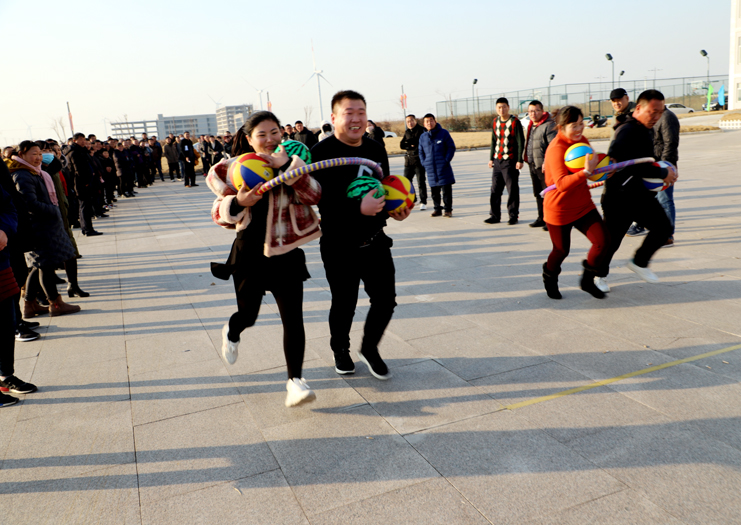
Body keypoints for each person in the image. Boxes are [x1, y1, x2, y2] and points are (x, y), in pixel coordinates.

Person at [207, 111, 322, 407]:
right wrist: (237, 202)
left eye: (275, 133)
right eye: (262, 134)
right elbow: (218, 213)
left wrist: (289, 169)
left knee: (293, 320)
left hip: (286, 252)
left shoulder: (292, 163)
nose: (270, 139)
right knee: (248, 316)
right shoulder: (236, 168)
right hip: (249, 254)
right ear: (249, 139)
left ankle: (295, 381)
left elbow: (314, 195)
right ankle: (232, 331)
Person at [311, 90, 412, 380]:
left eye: (361, 113)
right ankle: (340, 350)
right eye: (349, 113)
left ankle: (369, 348)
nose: (356, 119)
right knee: (344, 303)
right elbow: (320, 202)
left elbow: (384, 188)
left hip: (374, 240)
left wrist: (394, 210)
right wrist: (358, 209)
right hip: (338, 243)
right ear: (334, 118)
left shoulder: (375, 148)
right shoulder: (320, 153)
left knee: (386, 300)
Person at [598, 90, 677, 286]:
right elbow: (624, 162)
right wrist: (662, 173)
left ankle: (639, 262)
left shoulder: (645, 129)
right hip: (619, 197)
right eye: (653, 112)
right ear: (639, 108)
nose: (656, 117)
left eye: (660, 112)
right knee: (611, 242)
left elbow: (646, 159)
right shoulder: (626, 130)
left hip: (639, 194)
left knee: (663, 228)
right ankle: (597, 275)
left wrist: (665, 169)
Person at [7, 142, 82, 317]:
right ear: (21, 154)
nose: (39, 157)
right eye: (34, 154)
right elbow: (29, 203)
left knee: (39, 266)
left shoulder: (34, 171)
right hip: (39, 227)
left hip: (45, 226)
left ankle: (30, 304)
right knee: (45, 266)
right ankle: (55, 304)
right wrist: (53, 210)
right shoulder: (22, 175)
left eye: (40, 154)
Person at [541, 106, 608, 299]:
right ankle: (549, 277)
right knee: (561, 250)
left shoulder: (582, 141)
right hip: (559, 209)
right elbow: (561, 184)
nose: (579, 129)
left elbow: (592, 169)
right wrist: (585, 172)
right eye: (574, 125)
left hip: (583, 205)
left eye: (581, 123)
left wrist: (605, 170)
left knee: (602, 242)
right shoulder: (556, 148)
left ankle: (587, 280)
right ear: (561, 126)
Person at [0, 183, 38, 406]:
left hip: (1, 262)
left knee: (7, 323)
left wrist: (4, 230)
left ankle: (6, 376)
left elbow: (8, 207)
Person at [485, 98, 524, 225]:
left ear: (508, 107)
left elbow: (520, 141)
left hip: (510, 161)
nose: (501, 110)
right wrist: (491, 158)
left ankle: (513, 216)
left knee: (512, 189)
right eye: (499, 107)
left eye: (504, 107)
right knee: (495, 190)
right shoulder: (495, 121)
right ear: (496, 108)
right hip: (497, 160)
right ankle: (494, 215)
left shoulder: (514, 122)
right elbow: (493, 140)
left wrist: (519, 160)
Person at [523, 100, 556, 229]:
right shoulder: (531, 124)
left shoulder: (549, 125)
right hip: (533, 164)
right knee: (538, 193)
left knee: (548, 194)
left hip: (544, 166)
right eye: (530, 111)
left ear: (542, 111)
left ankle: (551, 220)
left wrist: (546, 162)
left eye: (536, 111)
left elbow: (553, 146)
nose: (533, 113)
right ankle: (541, 218)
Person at [652, 107, 680, 246]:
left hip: (664, 167)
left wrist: (666, 167)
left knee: (665, 200)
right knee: (656, 201)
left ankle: (667, 235)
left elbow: (670, 144)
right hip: (655, 166)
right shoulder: (655, 117)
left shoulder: (667, 117)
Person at [418, 114, 456, 217]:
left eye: (431, 120)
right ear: (424, 124)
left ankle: (448, 210)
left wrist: (446, 160)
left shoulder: (443, 133)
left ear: (435, 121)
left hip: (443, 167)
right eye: (427, 121)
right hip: (430, 168)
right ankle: (437, 209)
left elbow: (451, 147)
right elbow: (420, 151)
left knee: (446, 190)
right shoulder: (423, 137)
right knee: (434, 191)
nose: (429, 123)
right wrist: (424, 162)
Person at [66, 133, 102, 236]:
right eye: (80, 139)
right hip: (81, 184)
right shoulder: (74, 152)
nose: (83, 141)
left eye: (84, 139)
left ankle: (87, 228)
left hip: (87, 182)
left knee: (86, 206)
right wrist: (85, 182)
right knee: (84, 207)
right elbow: (78, 170)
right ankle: (87, 229)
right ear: (75, 140)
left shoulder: (82, 151)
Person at [399, 114, 428, 211]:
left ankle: (423, 201)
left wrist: (412, 143)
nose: (410, 123)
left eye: (411, 121)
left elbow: (419, 143)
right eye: (408, 121)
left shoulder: (421, 130)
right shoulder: (407, 131)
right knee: (407, 181)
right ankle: (413, 198)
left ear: (415, 121)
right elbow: (402, 145)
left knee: (421, 182)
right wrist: (409, 145)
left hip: (419, 160)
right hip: (408, 160)